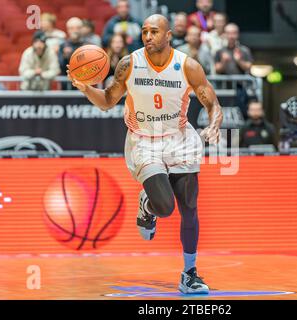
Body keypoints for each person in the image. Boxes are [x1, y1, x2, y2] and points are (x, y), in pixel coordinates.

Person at [67, 14, 223, 294]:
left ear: (168, 35)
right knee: (165, 207)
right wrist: (86, 88)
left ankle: (190, 273)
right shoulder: (129, 64)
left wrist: (214, 122)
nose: (148, 36)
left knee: (189, 208)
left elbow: (211, 101)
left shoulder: (188, 66)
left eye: (154, 31)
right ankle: (148, 206)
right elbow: (107, 101)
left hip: (179, 138)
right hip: (144, 140)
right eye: (144, 31)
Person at [58, 17, 84, 89]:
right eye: (72, 28)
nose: (75, 30)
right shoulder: (62, 46)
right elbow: (61, 66)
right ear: (68, 30)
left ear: (82, 29)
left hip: (84, 85)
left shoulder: (87, 46)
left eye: (78, 28)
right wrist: (65, 56)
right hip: (66, 85)